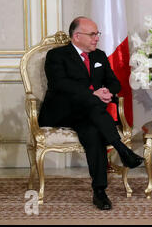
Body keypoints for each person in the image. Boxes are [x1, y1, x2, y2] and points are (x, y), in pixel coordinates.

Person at [38, 16, 144, 210]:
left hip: (87, 116)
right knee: (93, 104)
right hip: (62, 112)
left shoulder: (99, 56)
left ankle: (99, 192)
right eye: (92, 34)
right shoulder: (57, 55)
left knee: (93, 132)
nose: (97, 38)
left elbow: (114, 82)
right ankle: (121, 148)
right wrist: (92, 93)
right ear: (77, 36)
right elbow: (60, 84)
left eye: (97, 34)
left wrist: (107, 92)